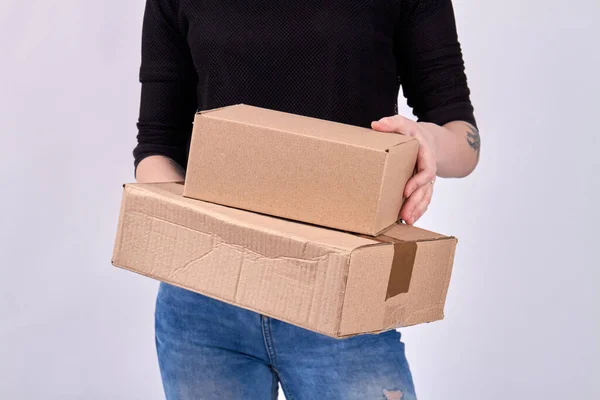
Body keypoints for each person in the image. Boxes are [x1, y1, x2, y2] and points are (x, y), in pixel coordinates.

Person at [133, 0, 480, 399]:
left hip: (343, 295)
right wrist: (210, 245)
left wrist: (427, 142)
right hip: (205, 302)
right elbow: (157, 148)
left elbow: (463, 139)